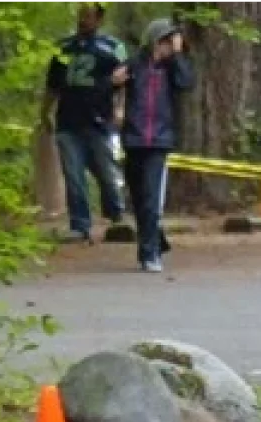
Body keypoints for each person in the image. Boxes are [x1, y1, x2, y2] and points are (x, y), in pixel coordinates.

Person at [40, 0, 129, 244]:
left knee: (107, 172)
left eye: (89, 16)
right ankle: (80, 225)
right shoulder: (63, 48)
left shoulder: (113, 47)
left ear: (99, 19)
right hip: (68, 121)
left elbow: (124, 82)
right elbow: (52, 86)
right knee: (73, 175)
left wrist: (121, 108)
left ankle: (116, 216)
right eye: (81, 15)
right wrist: (45, 112)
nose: (83, 20)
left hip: (100, 121)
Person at [117, 18, 194, 273]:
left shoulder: (174, 68)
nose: (168, 48)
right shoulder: (134, 64)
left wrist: (179, 54)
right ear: (154, 41)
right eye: (165, 42)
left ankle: (149, 253)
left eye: (171, 43)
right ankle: (154, 240)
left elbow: (186, 83)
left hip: (159, 141)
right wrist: (113, 82)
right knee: (138, 199)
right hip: (133, 139)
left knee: (151, 198)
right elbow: (109, 90)